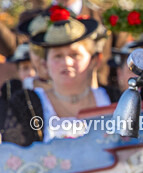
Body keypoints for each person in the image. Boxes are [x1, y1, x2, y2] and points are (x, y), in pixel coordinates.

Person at [0, 7, 109, 146]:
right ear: (45, 64)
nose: (67, 62)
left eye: (74, 54)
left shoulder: (114, 98)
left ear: (94, 60)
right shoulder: (26, 106)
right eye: (58, 56)